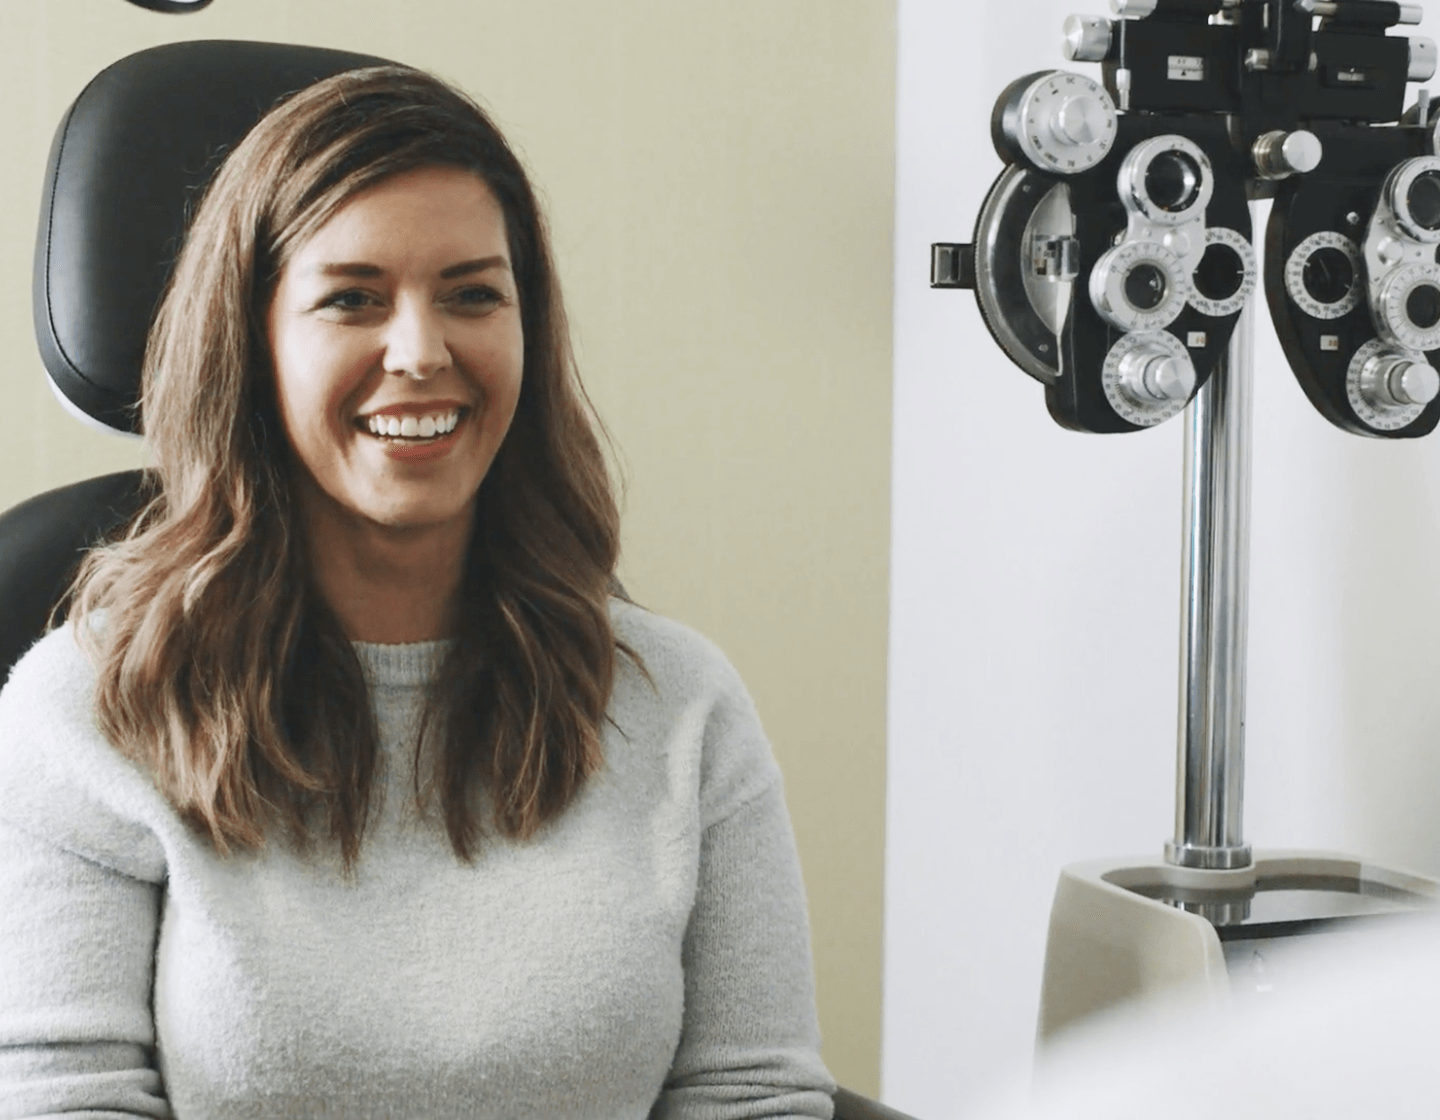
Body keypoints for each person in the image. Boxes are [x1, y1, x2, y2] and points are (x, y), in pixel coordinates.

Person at [0, 64, 835, 1119]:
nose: (421, 351)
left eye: (473, 294)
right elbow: (63, 1102)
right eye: (352, 299)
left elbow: (752, 1095)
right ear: (251, 343)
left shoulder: (681, 704)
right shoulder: (85, 712)